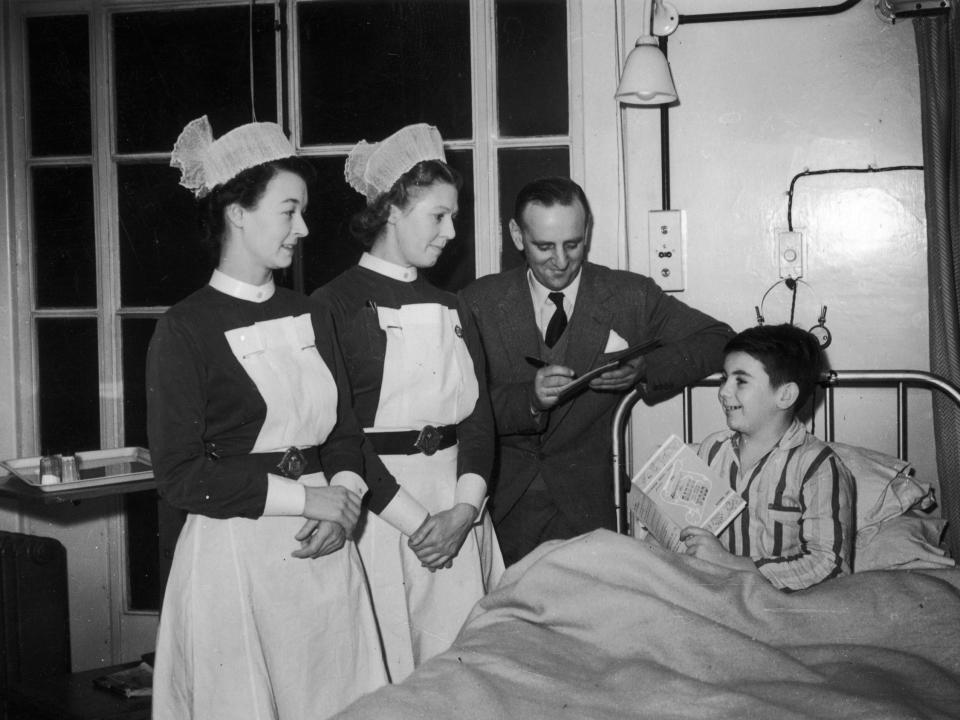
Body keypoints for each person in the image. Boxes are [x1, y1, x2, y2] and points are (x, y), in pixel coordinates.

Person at [147, 115, 387, 720]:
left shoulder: (310, 313)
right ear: (237, 213)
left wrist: (345, 499)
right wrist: (310, 502)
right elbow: (180, 475)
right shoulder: (185, 328)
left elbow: (343, 434)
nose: (303, 229)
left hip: (327, 546)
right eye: (289, 211)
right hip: (237, 557)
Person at [311, 123, 503, 682]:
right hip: (383, 515)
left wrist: (464, 512)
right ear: (392, 210)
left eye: (453, 217)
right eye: (437, 216)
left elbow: (479, 420)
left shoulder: (454, 306)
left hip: (460, 512)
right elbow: (337, 433)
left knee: (470, 677)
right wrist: (420, 525)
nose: (450, 232)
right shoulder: (333, 304)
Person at [459, 176, 734, 566]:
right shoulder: (477, 302)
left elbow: (718, 338)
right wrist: (529, 399)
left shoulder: (630, 296)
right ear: (517, 236)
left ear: (587, 231)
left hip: (590, 509)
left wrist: (644, 370)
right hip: (501, 512)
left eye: (573, 244)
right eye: (544, 246)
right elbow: (465, 409)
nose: (561, 260)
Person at [681, 323, 855, 591]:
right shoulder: (712, 449)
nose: (724, 391)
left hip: (779, 603)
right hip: (714, 589)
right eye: (723, 379)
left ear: (785, 395)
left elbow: (829, 565)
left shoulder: (816, 466)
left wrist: (728, 562)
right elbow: (689, 526)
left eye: (740, 381)